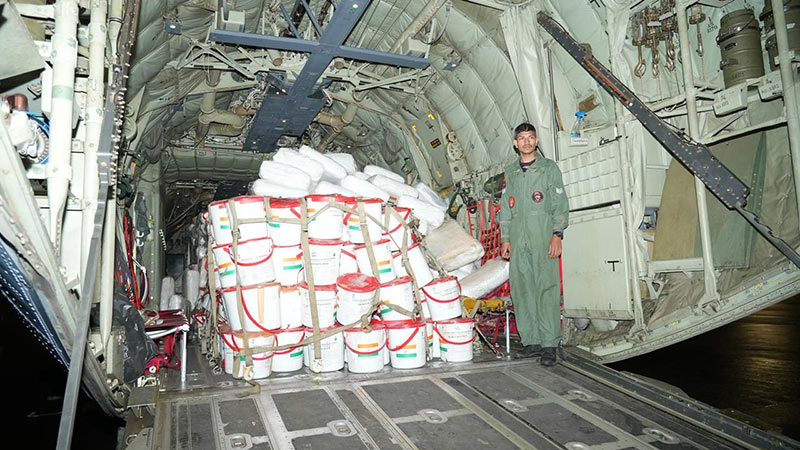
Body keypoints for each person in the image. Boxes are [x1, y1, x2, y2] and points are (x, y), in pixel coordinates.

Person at [500, 122, 569, 367]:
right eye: (522, 138)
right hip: (519, 239)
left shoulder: (548, 168)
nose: (527, 142)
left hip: (542, 237)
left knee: (546, 288)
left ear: (537, 141)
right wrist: (505, 239)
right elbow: (506, 209)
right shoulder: (511, 173)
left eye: (531, 137)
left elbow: (559, 205)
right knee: (522, 289)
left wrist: (556, 234)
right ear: (515, 143)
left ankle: (549, 344)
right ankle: (532, 342)